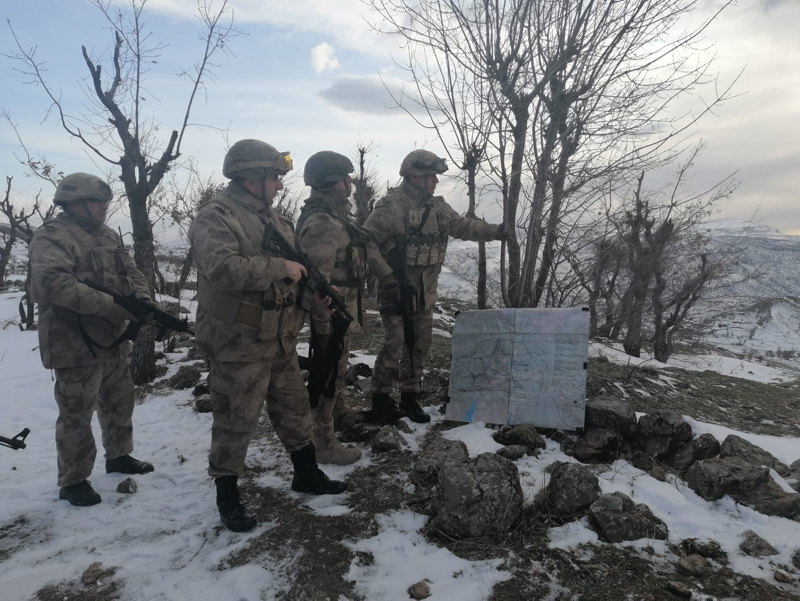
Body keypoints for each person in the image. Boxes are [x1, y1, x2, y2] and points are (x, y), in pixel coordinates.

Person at [189, 139, 346, 533]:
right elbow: (221, 268)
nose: (279, 185)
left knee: (294, 410)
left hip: (278, 338)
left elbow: (299, 273)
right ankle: (228, 496)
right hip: (237, 342)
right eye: (274, 177)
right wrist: (279, 266)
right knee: (235, 421)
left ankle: (306, 474)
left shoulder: (275, 219)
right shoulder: (217, 216)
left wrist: (316, 299)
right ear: (251, 176)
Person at [29, 172, 155, 507]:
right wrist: (112, 307)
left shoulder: (108, 234)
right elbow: (52, 283)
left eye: (105, 202)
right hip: (72, 341)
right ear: (75, 203)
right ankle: (73, 479)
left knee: (119, 399)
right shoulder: (53, 236)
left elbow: (131, 272)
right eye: (97, 202)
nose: (103, 207)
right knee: (76, 412)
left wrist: (140, 301)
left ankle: (119, 456)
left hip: (110, 339)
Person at [363, 149, 511, 423]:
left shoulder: (438, 208)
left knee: (420, 345)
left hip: (425, 291)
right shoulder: (390, 206)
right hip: (395, 289)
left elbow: (463, 227)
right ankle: (381, 399)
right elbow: (366, 242)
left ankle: (409, 397)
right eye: (430, 176)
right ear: (414, 176)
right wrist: (387, 276)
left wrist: (496, 232)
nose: (434, 181)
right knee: (394, 344)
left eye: (435, 176)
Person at [295, 151, 397, 463]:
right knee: (330, 374)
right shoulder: (324, 223)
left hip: (341, 312)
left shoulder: (338, 217)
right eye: (344, 177)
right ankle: (323, 443)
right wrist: (324, 316)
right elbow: (317, 281)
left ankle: (337, 414)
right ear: (330, 181)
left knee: (337, 369)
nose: (350, 182)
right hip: (329, 315)